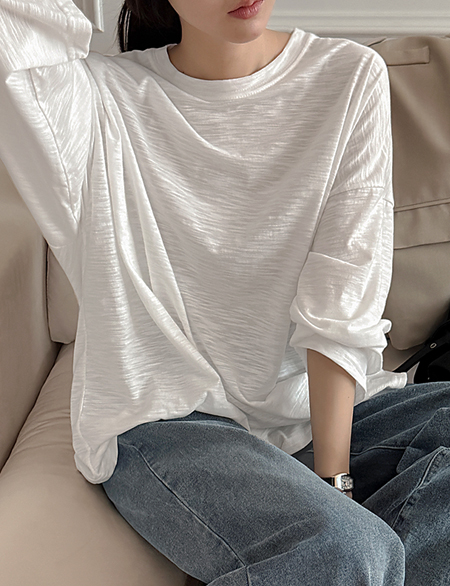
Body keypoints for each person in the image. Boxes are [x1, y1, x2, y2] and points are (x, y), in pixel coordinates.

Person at [0, 0, 449, 584]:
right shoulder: (93, 99)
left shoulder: (348, 74)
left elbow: (341, 299)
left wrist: (332, 480)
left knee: (365, 540)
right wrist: (339, 517)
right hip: (171, 418)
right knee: (345, 550)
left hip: (316, 416)